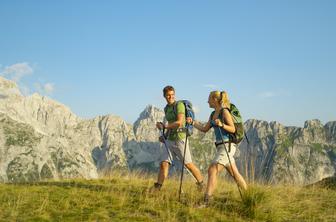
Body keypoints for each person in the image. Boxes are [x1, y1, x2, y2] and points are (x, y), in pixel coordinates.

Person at [190, 90, 247, 206]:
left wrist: (222, 124)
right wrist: (193, 123)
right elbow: (205, 129)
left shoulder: (224, 112)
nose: (207, 102)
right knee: (235, 174)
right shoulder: (213, 114)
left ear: (215, 100)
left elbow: (233, 129)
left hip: (228, 146)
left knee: (212, 169)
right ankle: (249, 196)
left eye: (209, 99)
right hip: (221, 147)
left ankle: (206, 201)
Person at [152, 85, 204, 191]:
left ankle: (201, 184)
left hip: (180, 138)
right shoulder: (166, 108)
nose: (170, 97)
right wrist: (165, 135)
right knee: (164, 163)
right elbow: (171, 123)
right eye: (168, 95)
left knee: (188, 164)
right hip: (170, 139)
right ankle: (158, 187)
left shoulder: (179, 105)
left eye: (172, 95)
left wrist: (165, 126)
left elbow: (180, 122)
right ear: (164, 96)